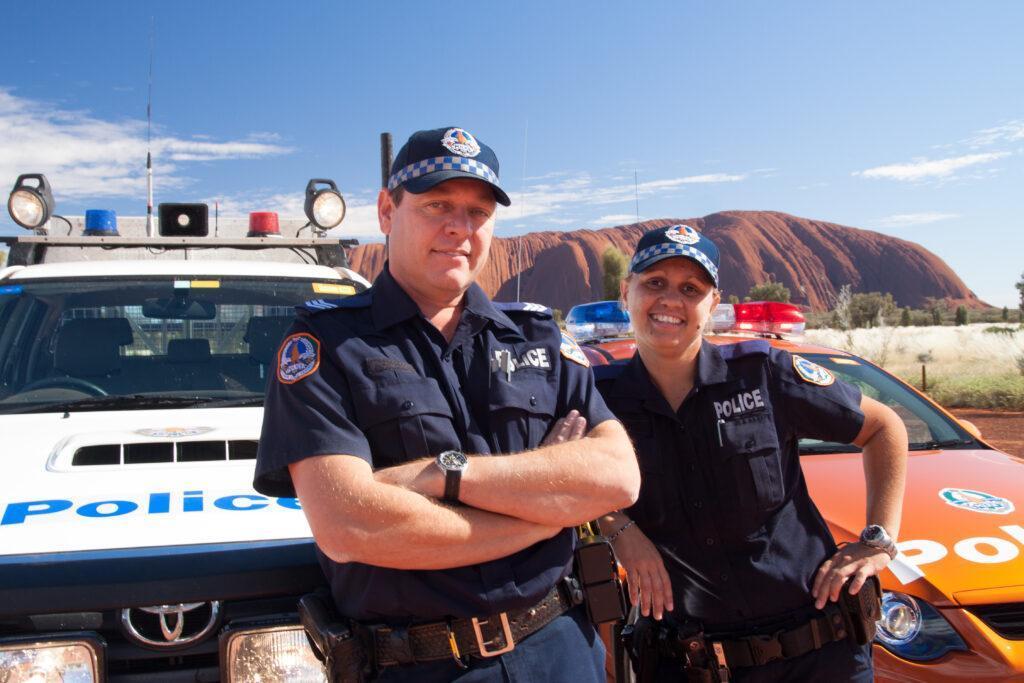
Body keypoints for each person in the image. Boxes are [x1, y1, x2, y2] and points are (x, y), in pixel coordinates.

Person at [253, 127, 640, 682]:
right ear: (387, 211)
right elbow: (348, 524)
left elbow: (616, 477)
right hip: (419, 664)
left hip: (560, 650)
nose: (460, 227)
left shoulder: (537, 336)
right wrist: (547, 515)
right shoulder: (328, 346)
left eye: (478, 212)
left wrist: (444, 474)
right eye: (437, 205)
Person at [594, 225, 908, 682]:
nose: (671, 300)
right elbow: (560, 474)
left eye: (691, 289)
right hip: (690, 661)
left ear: (713, 304)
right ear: (626, 292)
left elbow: (883, 428)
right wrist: (619, 528)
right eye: (655, 283)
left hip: (819, 654)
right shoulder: (599, 399)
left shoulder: (763, 374)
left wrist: (878, 540)